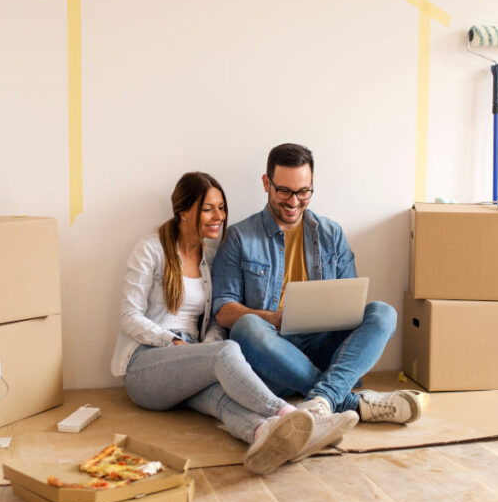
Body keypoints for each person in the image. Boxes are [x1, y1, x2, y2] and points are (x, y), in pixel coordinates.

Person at [111, 171, 358, 475]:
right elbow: (129, 317)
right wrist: (174, 342)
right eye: (208, 208)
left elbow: (215, 317)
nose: (219, 216)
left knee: (220, 396)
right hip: (146, 364)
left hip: (190, 357)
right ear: (183, 211)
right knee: (227, 351)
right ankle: (291, 414)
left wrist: (206, 346)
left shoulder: (210, 257)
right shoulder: (150, 250)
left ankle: (263, 435)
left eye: (221, 208)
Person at [212, 144, 427, 425]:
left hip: (326, 346)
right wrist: (273, 318)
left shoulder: (331, 233)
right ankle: (346, 398)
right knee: (246, 326)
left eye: (303, 192)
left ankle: (322, 397)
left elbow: (351, 301)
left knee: (383, 312)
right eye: (284, 191)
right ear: (267, 183)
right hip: (273, 353)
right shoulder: (239, 237)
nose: (293, 201)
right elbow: (223, 311)